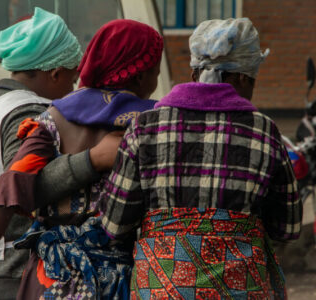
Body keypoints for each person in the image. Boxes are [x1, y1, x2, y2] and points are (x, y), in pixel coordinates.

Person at [101, 18, 302, 299]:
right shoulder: (265, 131)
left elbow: (115, 223)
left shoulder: (145, 127)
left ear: (194, 73)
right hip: (240, 290)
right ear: (243, 77)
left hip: (161, 291)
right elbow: (287, 228)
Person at [0, 19, 164, 300]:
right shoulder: (155, 124)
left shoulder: (53, 118)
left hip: (52, 277)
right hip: (126, 277)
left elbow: (10, 187)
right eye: (155, 72)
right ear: (141, 75)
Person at [0, 7, 91, 300]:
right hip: (2, 273)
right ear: (56, 73)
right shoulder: (30, 113)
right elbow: (21, 185)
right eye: (71, 81)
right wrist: (91, 161)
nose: (71, 89)